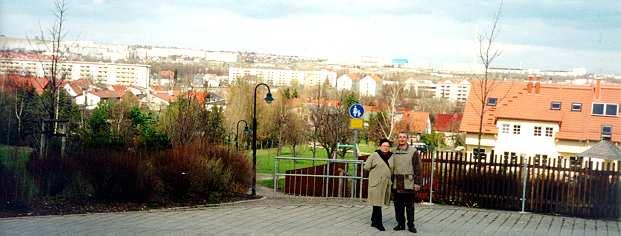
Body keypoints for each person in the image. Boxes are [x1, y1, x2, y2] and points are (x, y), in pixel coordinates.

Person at [388, 132, 422, 233]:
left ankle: (411, 225)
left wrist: (417, 183)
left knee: (409, 206)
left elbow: (418, 168)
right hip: (396, 182)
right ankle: (400, 224)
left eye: (404, 137)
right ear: (397, 139)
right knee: (398, 205)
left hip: (409, 182)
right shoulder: (393, 151)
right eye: (400, 137)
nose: (402, 139)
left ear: (407, 139)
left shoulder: (413, 151)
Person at [363, 138, 393, 231]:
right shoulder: (374, 155)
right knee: (377, 203)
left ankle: (373, 221)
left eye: (387, 146)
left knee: (378, 203)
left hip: (386, 183)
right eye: (384, 146)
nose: (386, 148)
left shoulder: (392, 156)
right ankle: (379, 223)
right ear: (380, 146)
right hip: (376, 182)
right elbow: (366, 167)